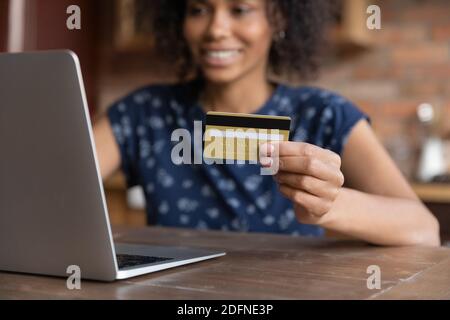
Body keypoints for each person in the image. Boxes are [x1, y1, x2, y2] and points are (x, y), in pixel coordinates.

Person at [93, 0, 440, 246]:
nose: (216, 29)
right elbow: (59, 186)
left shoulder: (325, 113)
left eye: (240, 9)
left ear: (279, 18)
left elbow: (424, 230)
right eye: (199, 9)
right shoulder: (144, 111)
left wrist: (330, 206)